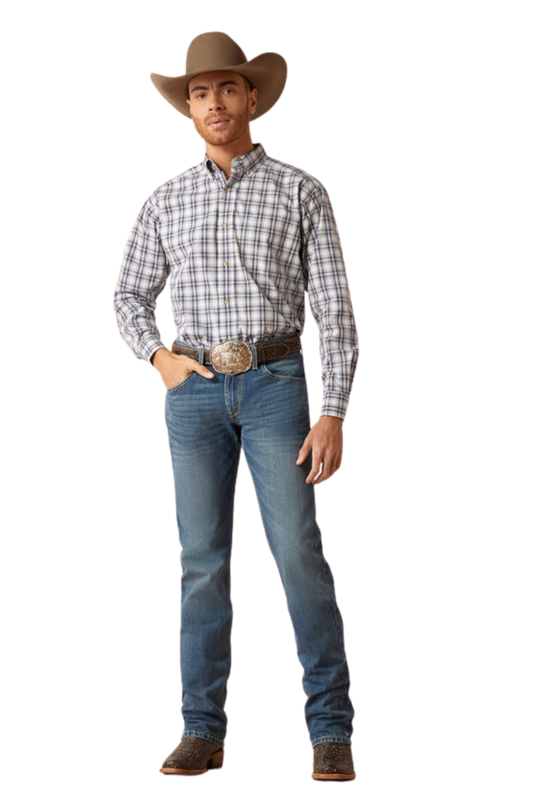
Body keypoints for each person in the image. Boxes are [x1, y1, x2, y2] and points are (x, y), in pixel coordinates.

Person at [111, 28, 362, 784]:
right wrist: (157, 355)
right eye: (198, 92)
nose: (213, 101)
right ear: (186, 109)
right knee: (198, 564)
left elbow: (337, 309)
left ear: (251, 97)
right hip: (191, 393)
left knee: (294, 554)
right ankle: (200, 729)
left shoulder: (301, 188)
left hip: (278, 384)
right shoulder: (164, 199)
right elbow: (126, 293)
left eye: (226, 88)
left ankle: (329, 730)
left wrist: (334, 409)